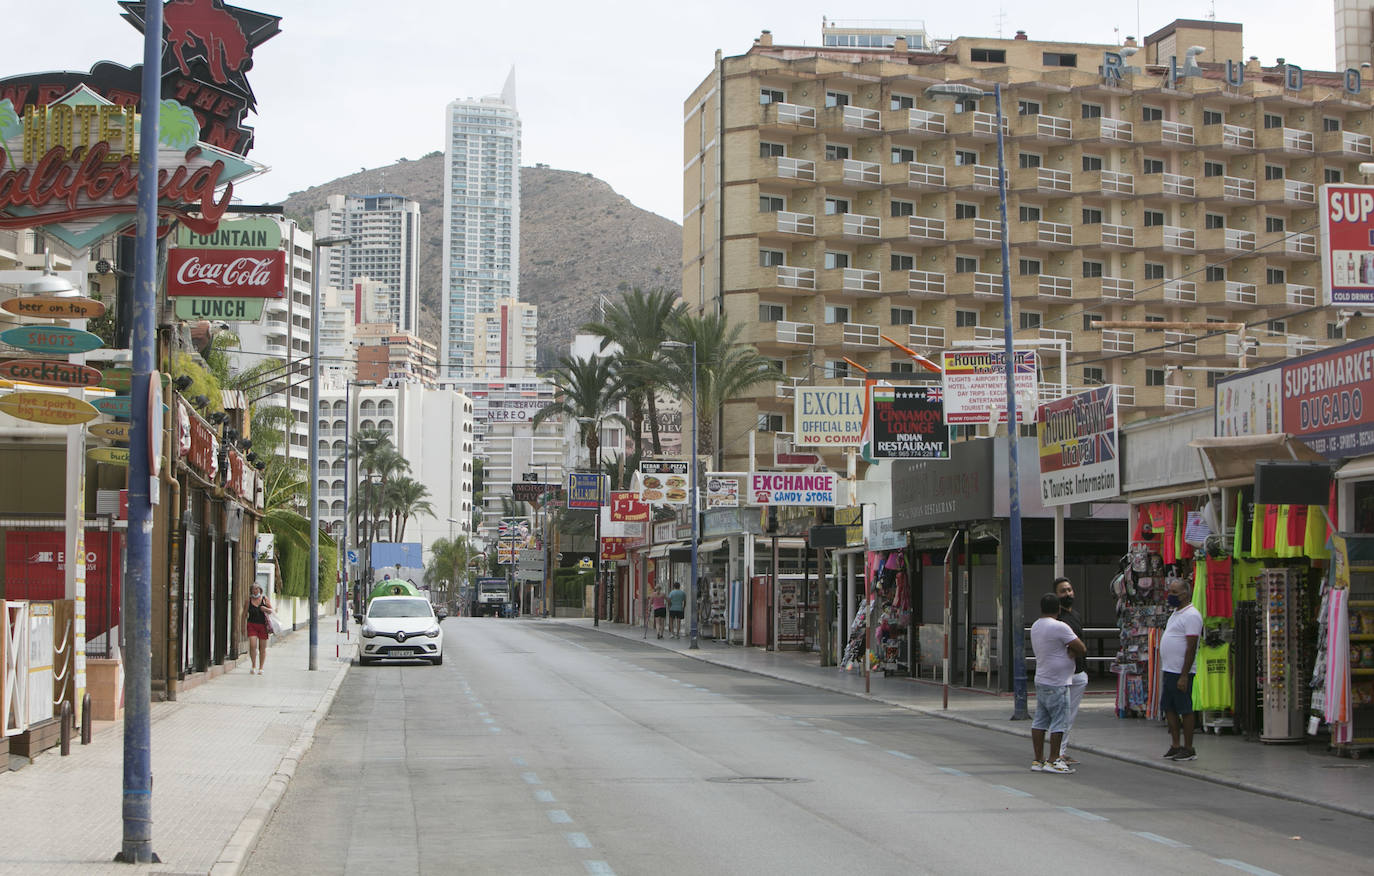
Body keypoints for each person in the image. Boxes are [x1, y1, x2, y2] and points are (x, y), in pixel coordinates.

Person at [1030, 592, 1086, 774]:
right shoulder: (1060, 627)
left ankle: (1038, 759)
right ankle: (1054, 760)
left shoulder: (1036, 626)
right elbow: (1081, 647)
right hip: (1057, 682)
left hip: (1042, 679)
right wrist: (1071, 651)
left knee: (1040, 720)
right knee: (1059, 721)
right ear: (1059, 609)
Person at [1160, 577, 1203, 761]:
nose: (1170, 596)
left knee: (1185, 708)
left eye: (1174, 593)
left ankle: (1188, 747)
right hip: (1169, 669)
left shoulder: (1192, 615)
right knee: (1168, 707)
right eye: (1170, 592)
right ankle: (1175, 745)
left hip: (1180, 671)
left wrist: (1184, 675)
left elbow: (1191, 647)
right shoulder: (1176, 613)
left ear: (1185, 594)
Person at [1054, 576, 1089, 765]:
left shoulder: (1075, 615)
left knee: (1070, 715)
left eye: (1069, 590)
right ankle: (1057, 753)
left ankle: (1061, 750)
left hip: (1079, 673)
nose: (1067, 594)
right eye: (1063, 591)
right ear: (1056, 595)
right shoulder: (1058, 618)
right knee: (1062, 714)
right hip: (1065, 674)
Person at [244, 584, 273, 675]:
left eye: (256, 589)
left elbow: (271, 610)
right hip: (251, 624)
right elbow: (244, 614)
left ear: (260, 590)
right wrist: (242, 626)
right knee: (252, 645)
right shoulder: (248, 600)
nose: (255, 591)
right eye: (253, 589)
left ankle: (261, 667)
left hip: (263, 626)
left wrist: (265, 608)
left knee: (262, 648)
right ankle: (253, 665)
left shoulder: (264, 599)